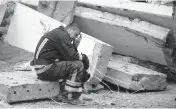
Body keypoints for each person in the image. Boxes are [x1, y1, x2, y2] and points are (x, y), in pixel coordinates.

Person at [30, 23, 90, 104]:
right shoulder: (62, 35)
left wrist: (75, 46)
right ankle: (72, 97)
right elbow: (72, 56)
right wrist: (84, 57)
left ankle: (63, 94)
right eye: (76, 35)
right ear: (70, 29)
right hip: (45, 68)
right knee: (77, 66)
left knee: (77, 67)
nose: (74, 38)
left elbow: (68, 57)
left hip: (43, 68)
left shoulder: (59, 34)